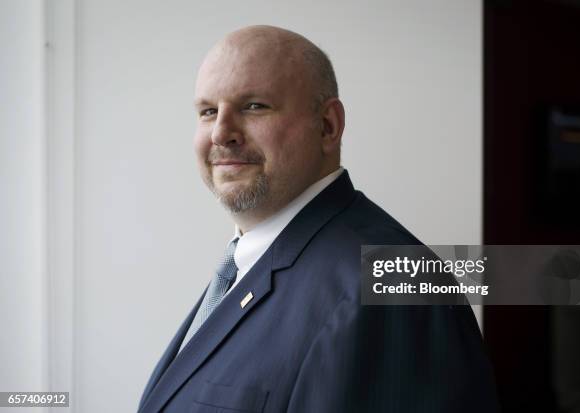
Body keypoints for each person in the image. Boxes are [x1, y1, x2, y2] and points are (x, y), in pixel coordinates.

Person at [138, 25, 498, 413]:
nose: (221, 134)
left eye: (254, 106)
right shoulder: (247, 263)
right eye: (208, 111)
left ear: (328, 125)